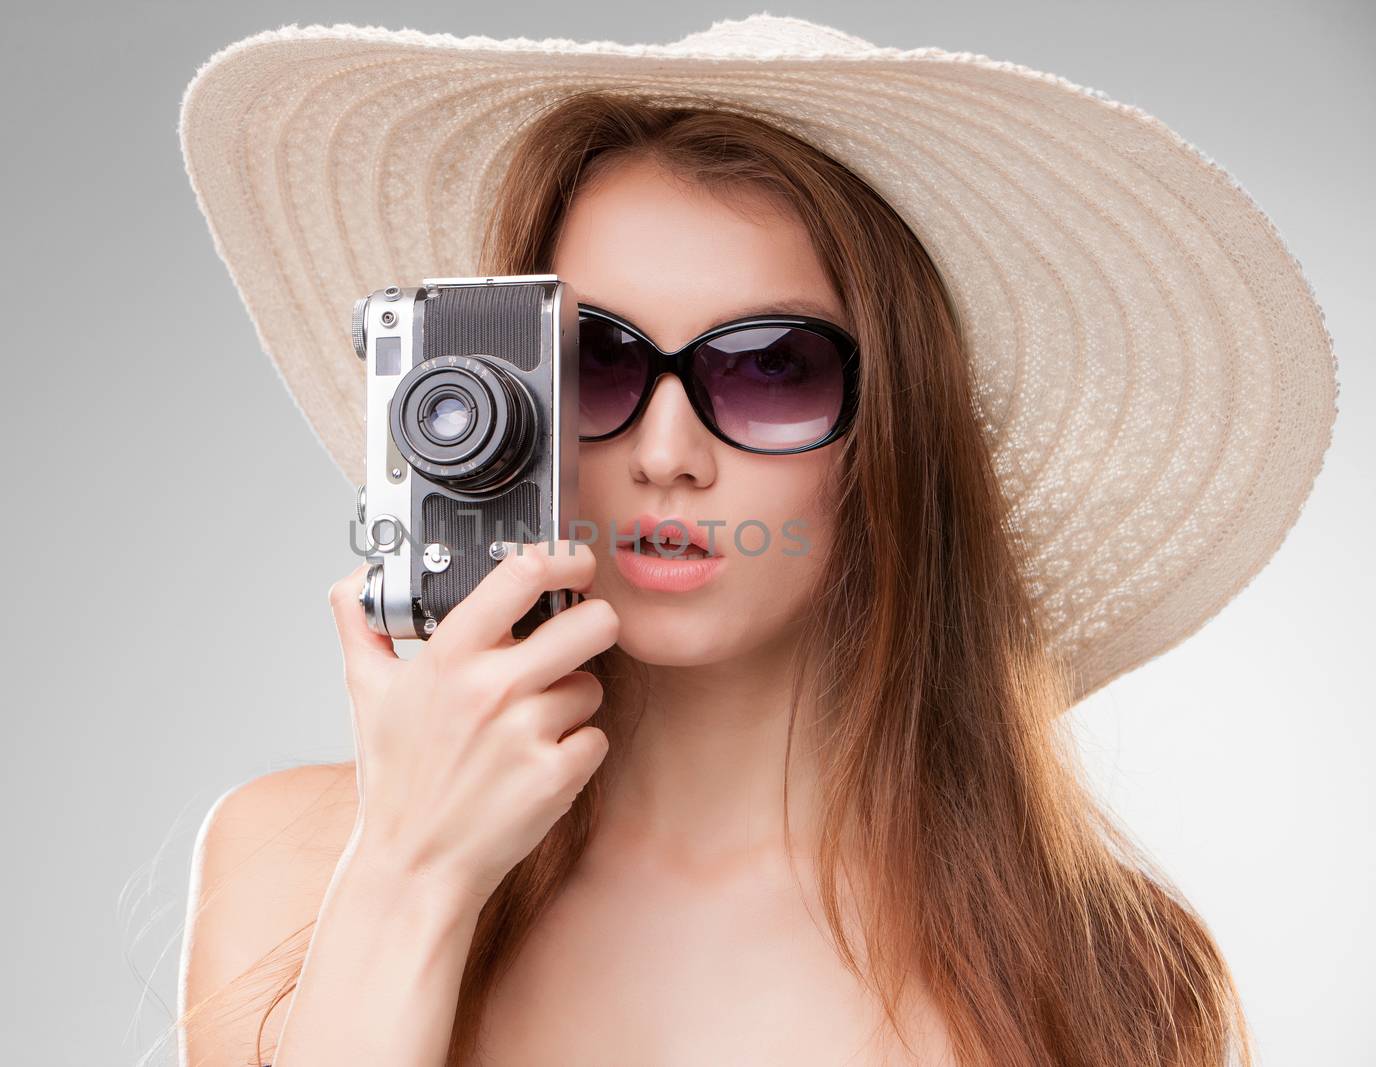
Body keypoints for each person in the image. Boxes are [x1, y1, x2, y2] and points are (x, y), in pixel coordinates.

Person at [170, 15, 1338, 1067]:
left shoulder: (1106, 975)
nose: (666, 450)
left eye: (771, 367)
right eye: (598, 360)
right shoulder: (294, 866)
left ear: (894, 437)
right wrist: (413, 875)